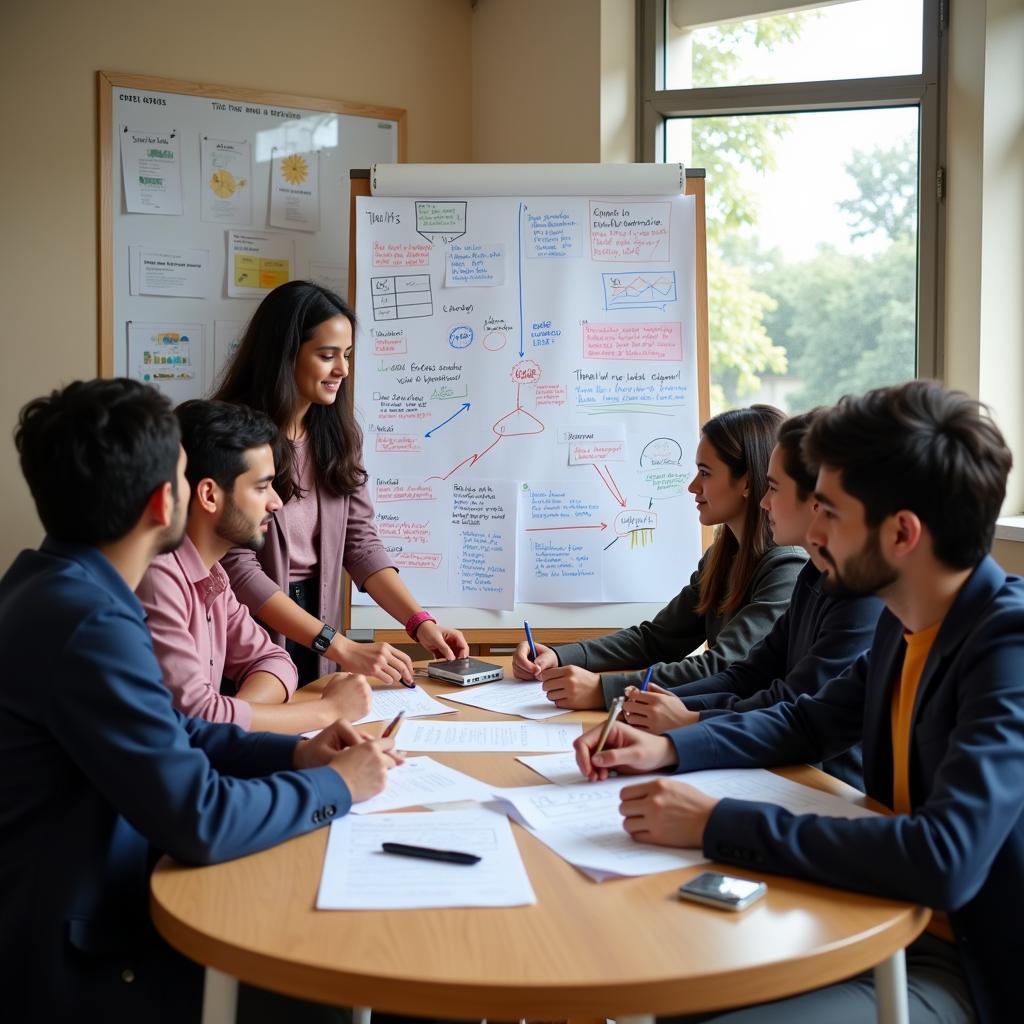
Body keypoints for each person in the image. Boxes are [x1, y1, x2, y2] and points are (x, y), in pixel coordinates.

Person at [575, 380, 1021, 1022]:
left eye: (830, 511)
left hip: (958, 967)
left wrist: (715, 822)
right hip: (868, 913)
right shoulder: (907, 620)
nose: (810, 528)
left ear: (901, 534)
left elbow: (943, 857)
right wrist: (664, 748)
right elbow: (806, 718)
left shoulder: (1007, 646)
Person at [0, 379, 400, 1022]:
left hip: (96, 900)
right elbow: (200, 817)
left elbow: (176, 733)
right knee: (323, 991)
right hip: (77, 956)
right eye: (188, 476)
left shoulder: (54, 585)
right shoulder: (90, 623)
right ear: (167, 503)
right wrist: (340, 789)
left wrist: (299, 756)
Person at [213, 281, 468, 687]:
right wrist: (339, 646)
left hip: (319, 620)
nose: (343, 370)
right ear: (285, 354)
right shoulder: (232, 437)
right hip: (253, 625)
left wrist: (419, 622)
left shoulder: (337, 435)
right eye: (327, 355)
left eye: (347, 355)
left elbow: (360, 542)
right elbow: (237, 569)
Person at [620, 409, 884, 786]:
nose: (764, 501)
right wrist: (667, 714)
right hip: (794, 776)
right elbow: (753, 677)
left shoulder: (859, 597)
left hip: (824, 785)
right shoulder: (816, 576)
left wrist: (688, 721)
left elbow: (793, 704)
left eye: (773, 489)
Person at [513, 405, 806, 710]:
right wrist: (561, 655)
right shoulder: (723, 558)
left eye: (704, 473)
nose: (693, 486)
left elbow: (721, 667)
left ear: (746, 482)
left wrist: (604, 690)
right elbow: (655, 640)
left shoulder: (786, 567)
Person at [137, 399, 372, 733]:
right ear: (208, 495)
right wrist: (328, 711)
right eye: (262, 487)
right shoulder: (159, 578)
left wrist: (231, 718)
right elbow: (197, 717)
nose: (276, 503)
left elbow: (275, 662)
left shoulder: (213, 574)